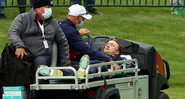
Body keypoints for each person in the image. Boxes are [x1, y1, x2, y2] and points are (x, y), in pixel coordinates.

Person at [8, 0, 70, 75]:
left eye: (50, 7)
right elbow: (13, 33)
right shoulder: (22, 18)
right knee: (6, 61)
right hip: (24, 54)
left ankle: (40, 83)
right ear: (37, 9)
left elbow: (63, 42)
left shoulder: (53, 23)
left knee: (40, 61)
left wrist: (66, 66)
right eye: (47, 7)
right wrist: (19, 46)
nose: (50, 10)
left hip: (43, 56)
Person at [58, 4, 111, 75]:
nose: (83, 21)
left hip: (59, 60)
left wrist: (78, 34)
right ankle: (81, 71)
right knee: (102, 64)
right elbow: (86, 49)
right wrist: (108, 59)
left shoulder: (61, 24)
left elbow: (66, 36)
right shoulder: (71, 31)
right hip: (67, 63)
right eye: (83, 19)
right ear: (77, 17)